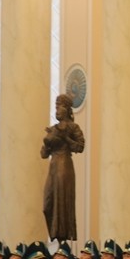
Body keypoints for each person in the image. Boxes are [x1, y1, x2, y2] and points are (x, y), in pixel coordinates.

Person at [41, 94, 85, 241]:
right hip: (53, 165)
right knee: (48, 204)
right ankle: (54, 235)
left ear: (66, 109)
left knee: (61, 202)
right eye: (55, 107)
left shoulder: (73, 127)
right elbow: (43, 154)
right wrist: (47, 144)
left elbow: (80, 147)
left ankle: (62, 239)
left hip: (64, 164)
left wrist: (65, 137)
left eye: (59, 106)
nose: (57, 110)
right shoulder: (53, 129)